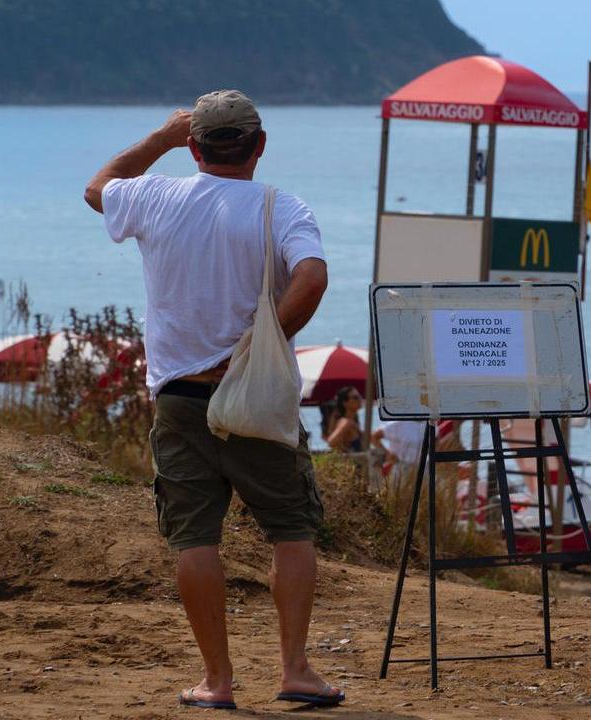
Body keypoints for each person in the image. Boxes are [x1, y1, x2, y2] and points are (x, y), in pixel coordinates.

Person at [84, 90, 342, 710]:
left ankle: (217, 682)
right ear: (259, 145)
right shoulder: (281, 207)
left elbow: (98, 189)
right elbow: (312, 277)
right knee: (289, 527)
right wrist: (265, 338)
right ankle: (296, 671)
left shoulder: (154, 194)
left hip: (178, 396)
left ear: (194, 147)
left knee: (195, 537)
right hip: (252, 392)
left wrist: (159, 139)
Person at [320, 386, 363, 452]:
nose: (360, 399)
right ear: (345, 403)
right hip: (352, 461)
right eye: (355, 397)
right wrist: (347, 453)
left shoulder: (351, 421)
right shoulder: (346, 422)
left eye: (360, 396)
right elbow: (331, 442)